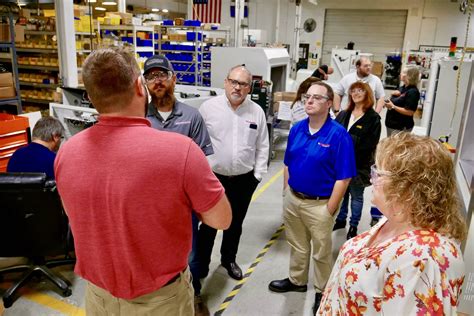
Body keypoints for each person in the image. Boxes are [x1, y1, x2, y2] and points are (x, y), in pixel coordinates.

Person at [54, 47, 232, 316]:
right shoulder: (181, 151)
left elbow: (73, 213)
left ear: (90, 97)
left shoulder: (66, 152)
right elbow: (222, 219)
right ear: (140, 86)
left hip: (98, 298)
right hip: (161, 301)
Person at [318, 132, 467, 315]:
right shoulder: (395, 220)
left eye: (378, 173)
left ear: (407, 187)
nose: (372, 179)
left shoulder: (427, 260)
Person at [268, 81, 356, 315]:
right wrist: (286, 192)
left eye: (317, 98)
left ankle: (322, 291)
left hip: (320, 204)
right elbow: (287, 162)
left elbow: (344, 177)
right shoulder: (297, 128)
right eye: (307, 96)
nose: (309, 101)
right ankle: (297, 281)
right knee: (297, 245)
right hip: (294, 198)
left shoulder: (339, 135)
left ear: (329, 104)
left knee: (321, 251)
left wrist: (330, 209)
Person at [143, 54, 213, 316]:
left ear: (174, 78)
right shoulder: (139, 117)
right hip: (148, 206)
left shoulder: (192, 116)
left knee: (191, 254)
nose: (157, 81)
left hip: (184, 206)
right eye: (151, 76)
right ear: (145, 83)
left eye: (162, 75)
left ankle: (193, 296)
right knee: (152, 254)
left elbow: (202, 163)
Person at [197, 65, 269, 282]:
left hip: (243, 180)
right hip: (213, 178)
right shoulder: (208, 108)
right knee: (208, 225)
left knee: (235, 223)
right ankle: (200, 266)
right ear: (226, 82)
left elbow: (263, 145)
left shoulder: (256, 111)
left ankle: (228, 259)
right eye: (234, 82)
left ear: (250, 87)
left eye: (243, 84)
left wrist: (257, 176)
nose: (237, 87)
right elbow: (196, 143)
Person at [333, 82, 381, 239]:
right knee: (342, 194)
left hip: (359, 165)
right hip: (340, 163)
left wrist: (348, 149)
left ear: (367, 94)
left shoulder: (373, 118)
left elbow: (370, 144)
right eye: (353, 91)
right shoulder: (344, 114)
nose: (356, 93)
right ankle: (340, 220)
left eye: (360, 90)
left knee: (356, 196)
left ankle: (353, 225)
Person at [384, 67, 421, 136]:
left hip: (401, 127)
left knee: (396, 146)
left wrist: (393, 106)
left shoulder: (413, 92)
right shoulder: (402, 88)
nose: (401, 74)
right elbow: (395, 101)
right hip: (392, 125)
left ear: (410, 76)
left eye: (403, 72)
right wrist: (391, 97)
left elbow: (410, 112)